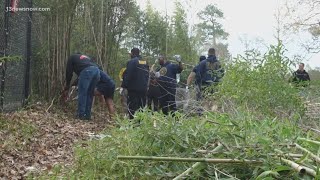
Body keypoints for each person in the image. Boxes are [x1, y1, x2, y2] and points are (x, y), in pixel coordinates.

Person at [63, 53, 100, 120]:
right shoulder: (86, 58)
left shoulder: (71, 58)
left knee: (82, 93)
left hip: (87, 71)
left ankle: (81, 115)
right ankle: (87, 115)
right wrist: (74, 83)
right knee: (89, 94)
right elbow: (82, 76)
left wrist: (67, 86)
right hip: (97, 71)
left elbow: (69, 73)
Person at [122, 48, 149, 119]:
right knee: (141, 106)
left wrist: (124, 86)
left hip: (133, 89)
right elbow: (147, 75)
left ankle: (132, 123)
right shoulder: (145, 62)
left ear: (132, 53)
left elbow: (128, 75)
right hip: (143, 89)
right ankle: (140, 122)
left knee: (132, 106)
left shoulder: (132, 62)